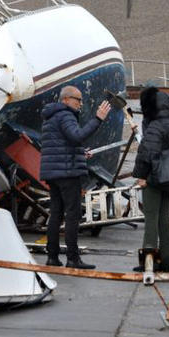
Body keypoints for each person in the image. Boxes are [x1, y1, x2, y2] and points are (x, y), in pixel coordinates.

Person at [40, 85, 111, 269]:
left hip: (54, 172)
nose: (80, 103)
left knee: (55, 214)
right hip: (67, 172)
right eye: (77, 99)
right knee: (73, 214)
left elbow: (63, 143)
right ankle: (72, 258)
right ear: (65, 99)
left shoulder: (51, 117)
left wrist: (80, 152)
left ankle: (52, 257)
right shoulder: (66, 115)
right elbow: (77, 136)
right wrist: (98, 119)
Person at [132, 87, 169, 272]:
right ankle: (166, 260)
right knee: (164, 218)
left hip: (154, 179)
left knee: (151, 217)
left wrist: (142, 177)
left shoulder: (155, 126)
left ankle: (149, 260)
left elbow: (146, 154)